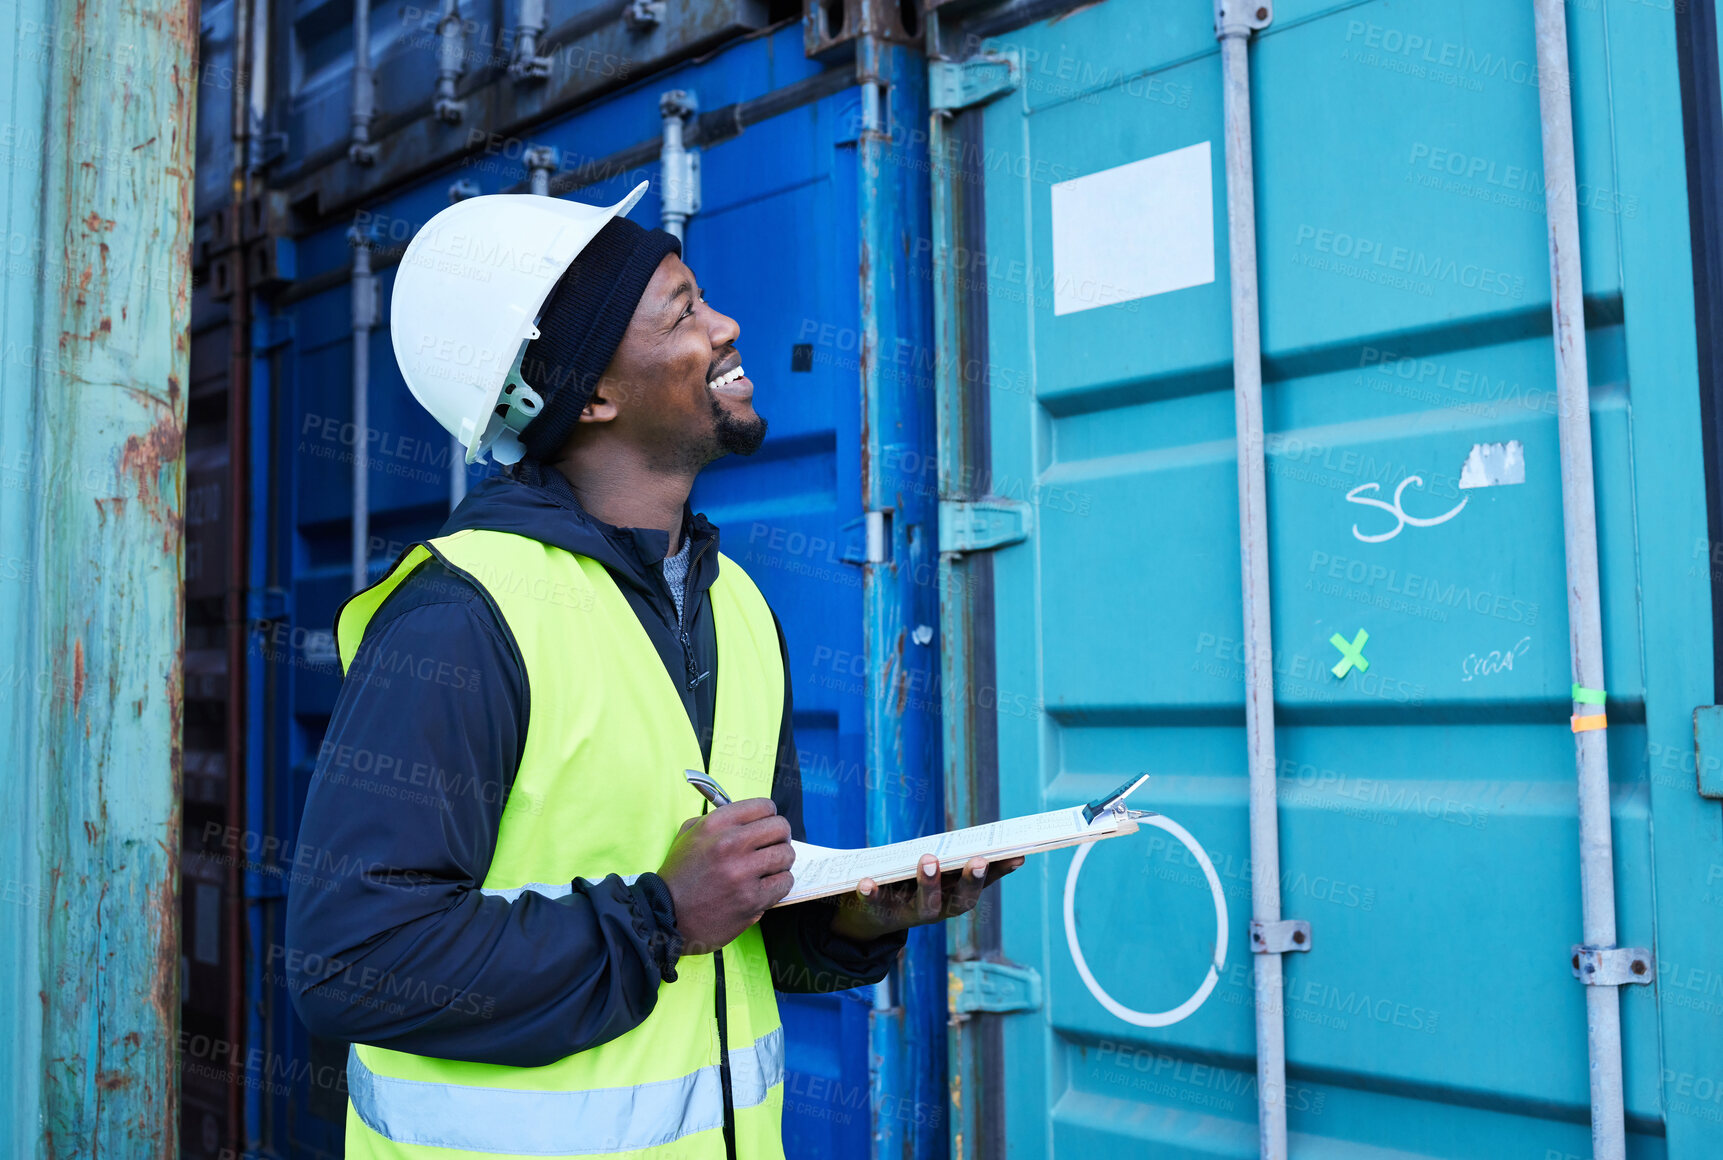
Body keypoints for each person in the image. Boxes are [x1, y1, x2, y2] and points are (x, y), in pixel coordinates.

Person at [284, 180, 1021, 1160]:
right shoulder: (462, 614)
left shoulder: (739, 608)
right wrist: (661, 912)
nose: (727, 324)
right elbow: (352, 961)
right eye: (683, 309)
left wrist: (846, 914)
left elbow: (735, 925)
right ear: (590, 391)